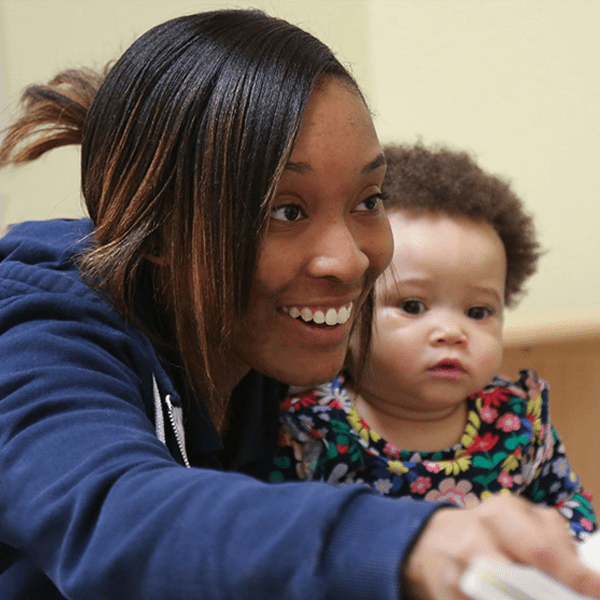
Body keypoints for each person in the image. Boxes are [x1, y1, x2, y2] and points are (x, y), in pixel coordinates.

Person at [0, 10, 598, 600]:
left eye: (368, 199)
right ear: (158, 230)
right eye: (285, 211)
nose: (350, 261)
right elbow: (116, 514)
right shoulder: (40, 333)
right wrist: (410, 543)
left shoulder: (276, 347)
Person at [270, 142, 597, 540]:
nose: (451, 332)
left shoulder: (518, 421)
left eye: (478, 312)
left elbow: (572, 510)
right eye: (412, 305)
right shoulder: (314, 425)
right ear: (351, 311)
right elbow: (283, 536)